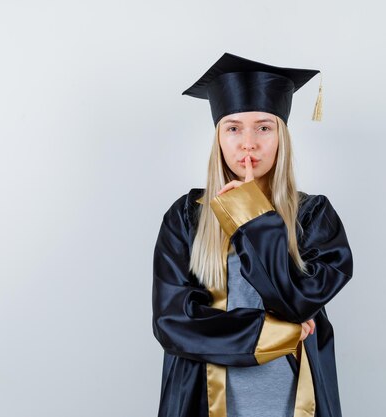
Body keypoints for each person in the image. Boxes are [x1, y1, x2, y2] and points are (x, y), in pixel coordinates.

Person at [151, 52, 354, 417]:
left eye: (263, 127)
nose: (248, 143)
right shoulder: (186, 216)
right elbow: (174, 324)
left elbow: (295, 302)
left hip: (291, 400)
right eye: (233, 128)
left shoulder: (314, 216)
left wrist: (253, 216)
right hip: (202, 398)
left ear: (281, 136)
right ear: (218, 138)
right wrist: (283, 334)